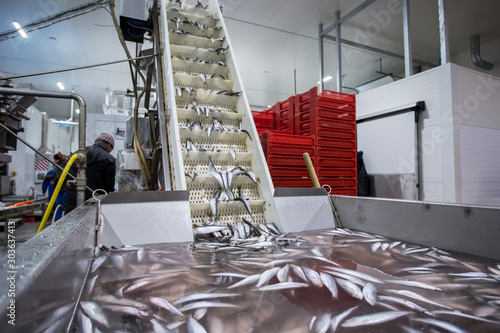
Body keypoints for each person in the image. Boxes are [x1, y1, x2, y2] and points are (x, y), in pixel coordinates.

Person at [65, 132, 116, 213]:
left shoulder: (77, 154)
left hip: (73, 203)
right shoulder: (108, 159)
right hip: (95, 203)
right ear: (109, 145)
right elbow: (111, 186)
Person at [43, 153, 67, 220]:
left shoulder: (63, 165)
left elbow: (60, 175)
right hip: (60, 189)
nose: (55, 161)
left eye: (55, 160)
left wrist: (53, 181)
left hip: (63, 189)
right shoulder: (59, 165)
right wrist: (46, 177)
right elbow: (55, 175)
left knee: (62, 205)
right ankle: (58, 220)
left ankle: (61, 219)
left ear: (57, 159)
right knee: (58, 205)